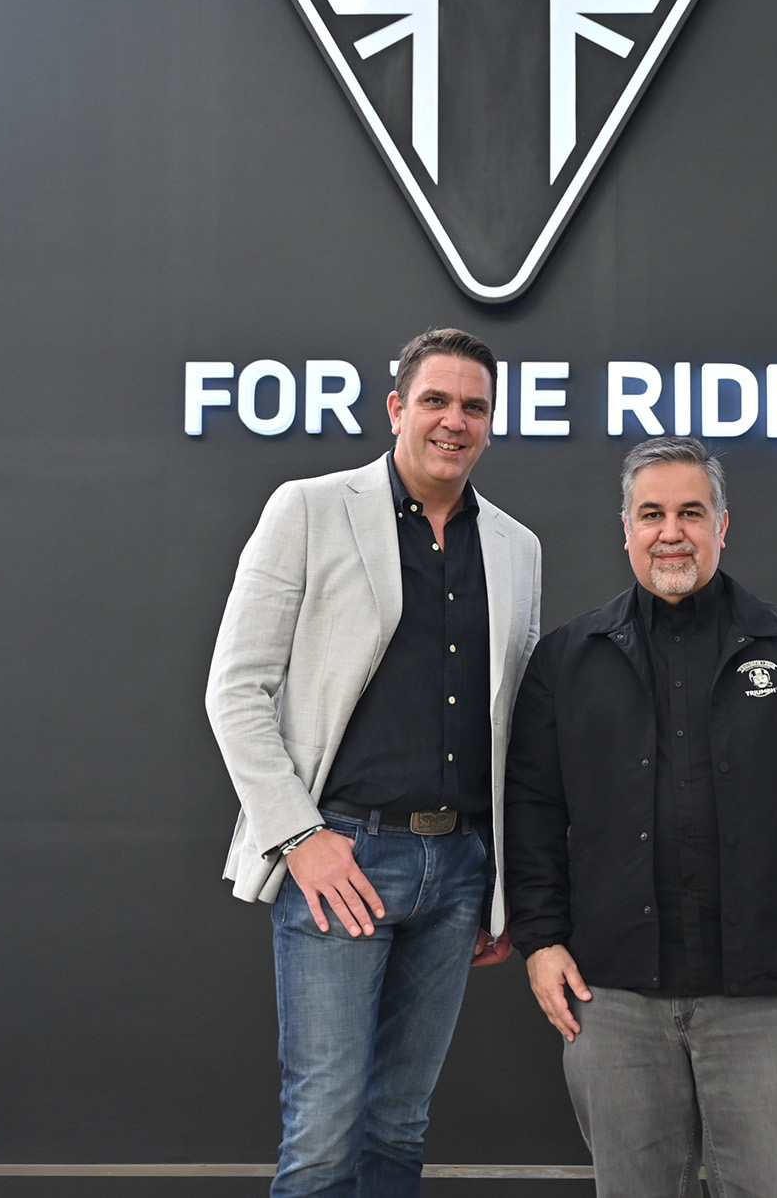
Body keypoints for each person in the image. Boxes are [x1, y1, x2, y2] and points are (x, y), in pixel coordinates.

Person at [503, 437, 777, 1198]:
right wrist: (541, 941)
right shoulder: (568, 660)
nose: (670, 532)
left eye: (690, 512)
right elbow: (533, 815)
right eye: (651, 514)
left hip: (769, 994)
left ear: (722, 525)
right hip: (612, 998)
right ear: (625, 529)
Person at [206, 327, 543, 1198]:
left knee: (399, 1125)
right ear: (396, 407)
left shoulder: (517, 547)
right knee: (323, 1135)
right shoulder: (309, 509)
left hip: (460, 871)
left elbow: (516, 727)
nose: (454, 421)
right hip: (342, 861)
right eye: (435, 400)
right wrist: (300, 838)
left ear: (491, 423)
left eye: (473, 407)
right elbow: (235, 690)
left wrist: (502, 881)